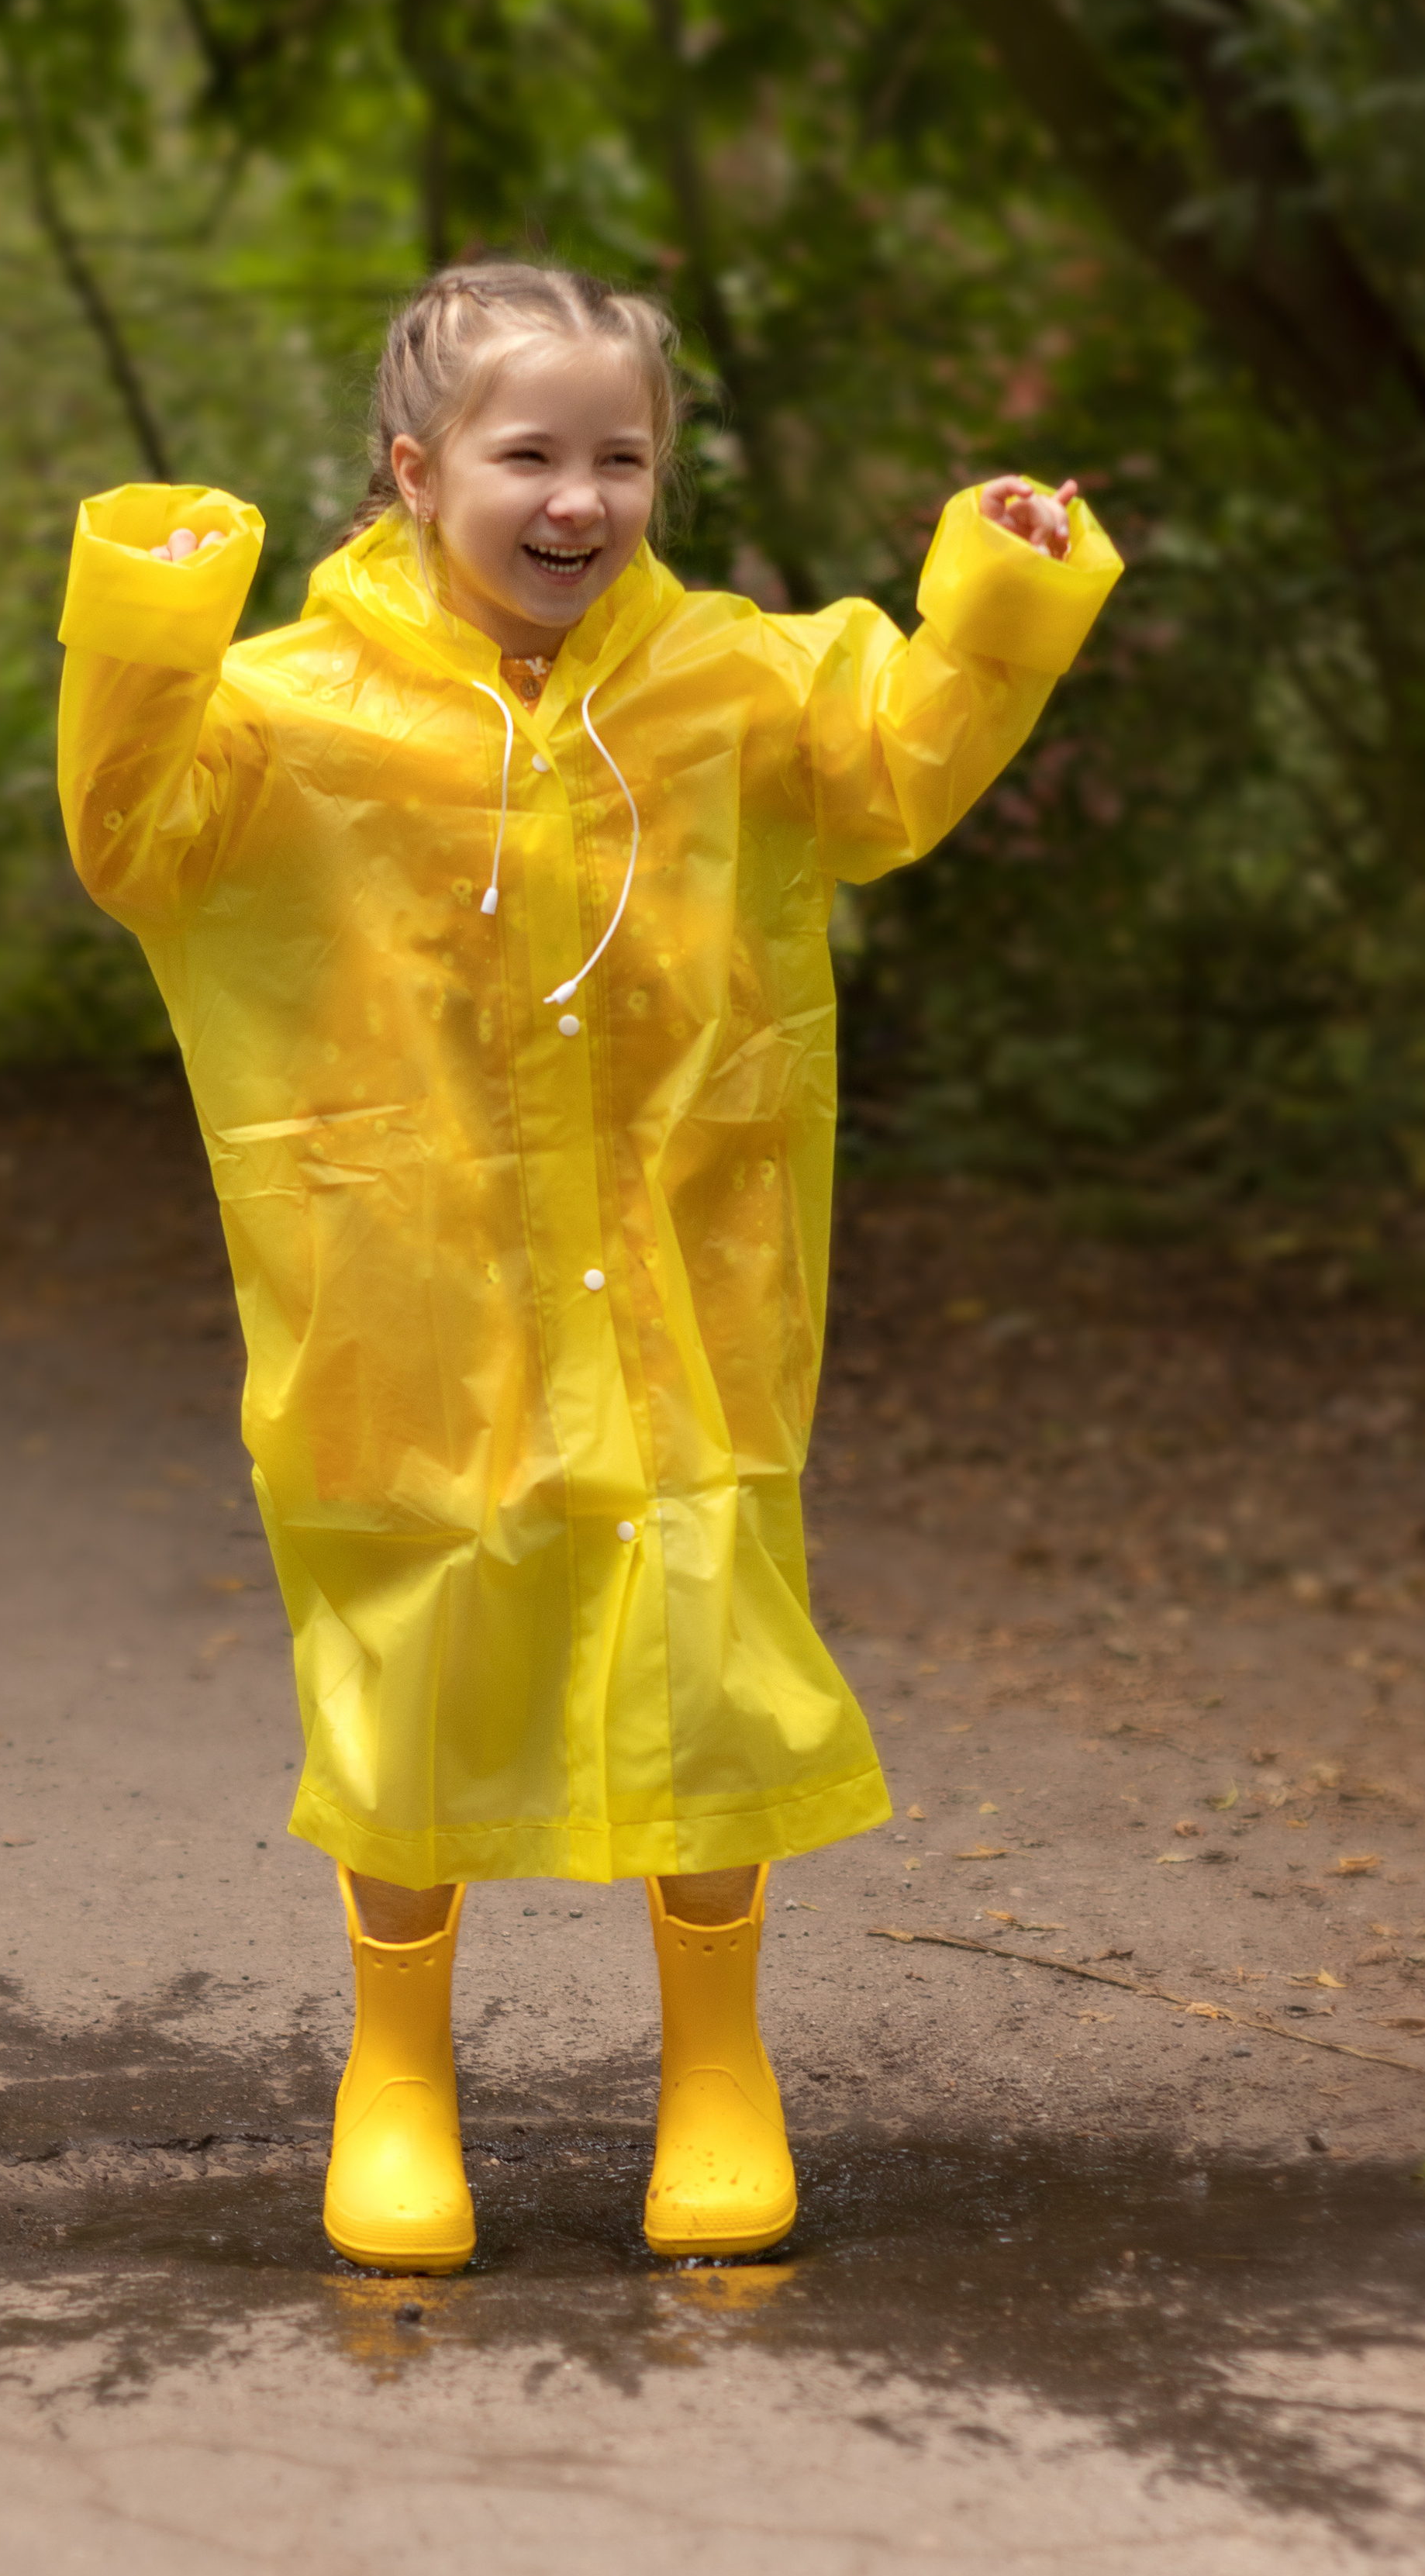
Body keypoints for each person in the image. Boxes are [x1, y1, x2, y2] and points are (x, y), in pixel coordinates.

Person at [56, 259, 1121, 2276]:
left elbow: (892, 769)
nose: (579, 498)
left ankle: (718, 2063)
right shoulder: (294, 705)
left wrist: (992, 594)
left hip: (684, 1271)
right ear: (411, 469)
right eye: (527, 453)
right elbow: (138, 842)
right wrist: (154, 614)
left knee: (703, 1635)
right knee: (412, 1644)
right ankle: (399, 2072)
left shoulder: (733, 677)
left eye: (620, 456)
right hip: (404, 1291)